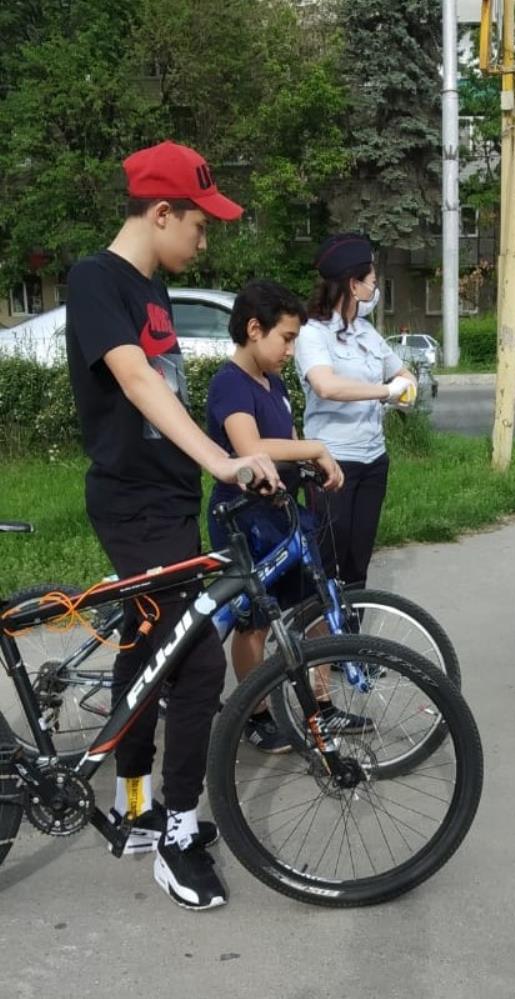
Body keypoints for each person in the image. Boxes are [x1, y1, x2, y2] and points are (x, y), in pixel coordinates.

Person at [66, 140, 280, 911]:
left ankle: (136, 814)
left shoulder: (154, 292)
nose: (205, 236)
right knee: (195, 667)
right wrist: (223, 460)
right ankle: (178, 834)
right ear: (161, 213)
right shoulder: (98, 280)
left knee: (145, 650)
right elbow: (131, 379)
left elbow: (166, 399)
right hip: (132, 502)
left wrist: (212, 461)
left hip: (166, 500)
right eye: (198, 222)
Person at [206, 279, 370, 749]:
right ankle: (254, 714)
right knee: (254, 620)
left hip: (281, 511)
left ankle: (322, 707)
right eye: (287, 338)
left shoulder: (272, 381)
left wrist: (309, 463)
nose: (291, 349)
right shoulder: (229, 384)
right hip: (244, 518)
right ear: (254, 329)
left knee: (315, 605)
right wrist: (316, 446)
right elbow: (250, 448)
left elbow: (286, 438)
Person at [293, 232, 416, 589]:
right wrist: (384, 393)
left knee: (357, 561)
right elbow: (326, 386)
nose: (375, 291)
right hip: (334, 461)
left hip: (373, 458)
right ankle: (320, 639)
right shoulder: (312, 333)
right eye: (372, 283)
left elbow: (402, 374)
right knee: (328, 557)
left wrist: (404, 390)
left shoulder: (367, 332)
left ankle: (352, 639)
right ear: (353, 285)